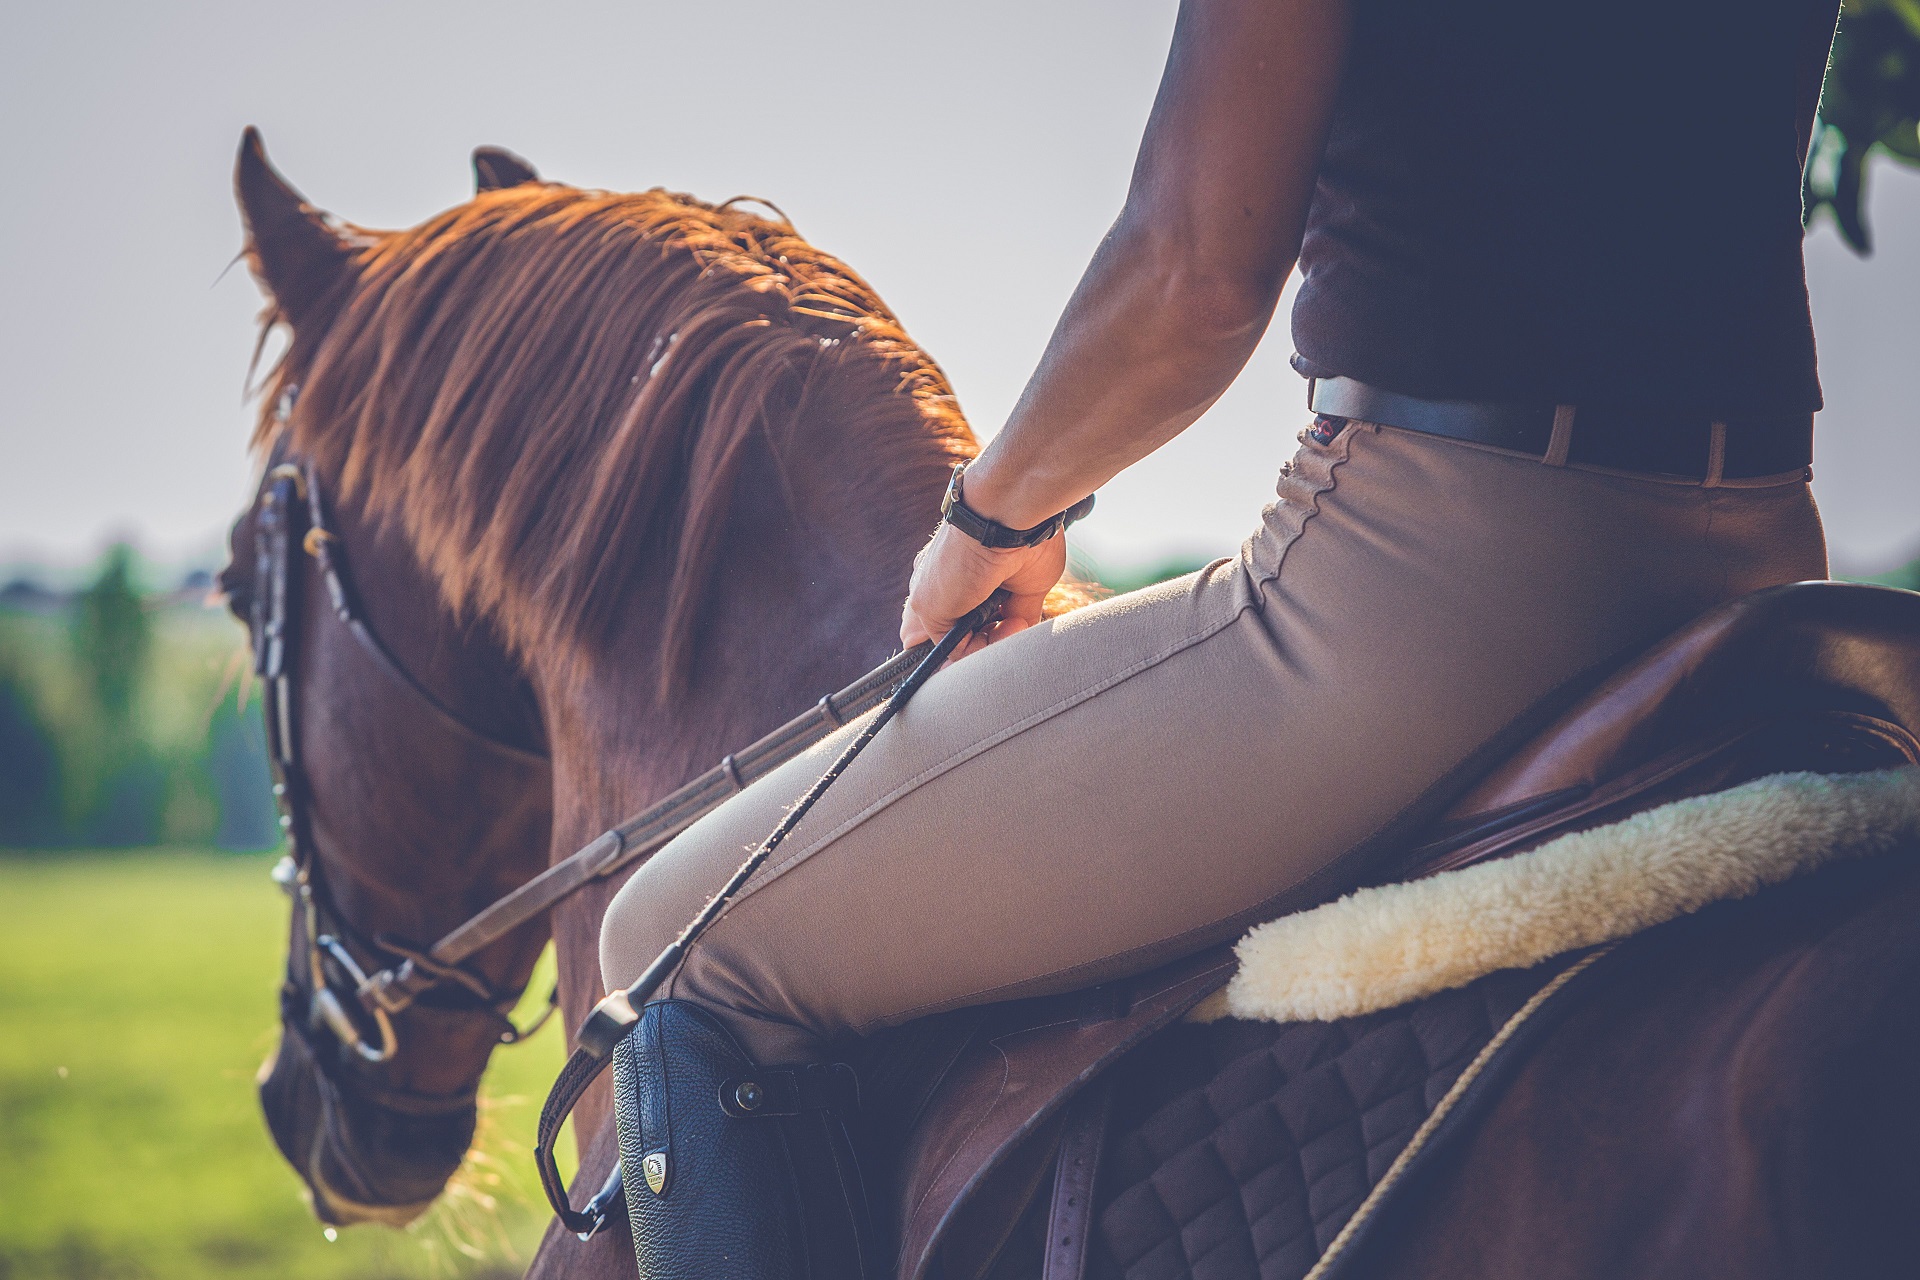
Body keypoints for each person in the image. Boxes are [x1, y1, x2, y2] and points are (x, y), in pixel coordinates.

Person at [598, 0, 1840, 1273]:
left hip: (1444, 594)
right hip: (1766, 573)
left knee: (679, 940)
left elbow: (1192, 273)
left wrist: (993, 514)